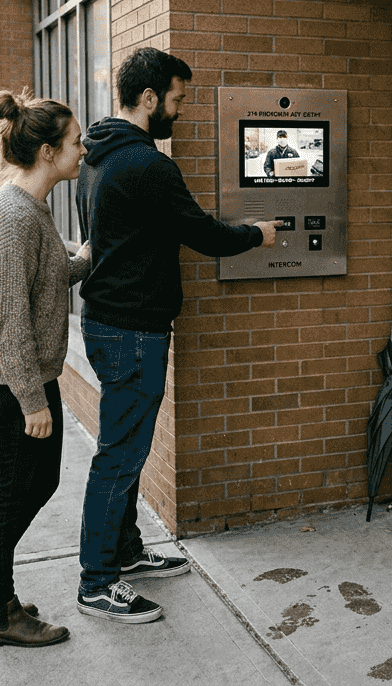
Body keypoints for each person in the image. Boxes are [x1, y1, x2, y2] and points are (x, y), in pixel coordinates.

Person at [73, 47, 277, 623]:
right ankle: (96, 583)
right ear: (148, 97)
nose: (180, 111)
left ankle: (126, 551)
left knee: (126, 449)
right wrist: (255, 235)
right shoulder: (147, 165)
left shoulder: (97, 156)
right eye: (178, 99)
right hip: (133, 329)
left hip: (108, 321)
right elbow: (203, 234)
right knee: (120, 455)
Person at [0, 89, 91, 648]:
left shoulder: (30, 208)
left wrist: (89, 255)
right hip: (8, 381)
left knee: (37, 481)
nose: (82, 150)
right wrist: (32, 401)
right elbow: (10, 320)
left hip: (24, 375)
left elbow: (48, 276)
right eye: (76, 141)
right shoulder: (12, 217)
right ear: (47, 152)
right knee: (9, 490)